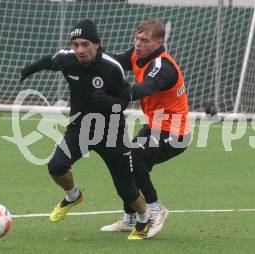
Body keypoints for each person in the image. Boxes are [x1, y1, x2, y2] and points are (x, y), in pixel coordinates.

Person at [19, 19, 158, 240]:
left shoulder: (112, 68)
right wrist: (29, 70)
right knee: (56, 166)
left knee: (126, 189)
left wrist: (107, 101)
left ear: (97, 44)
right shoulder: (68, 60)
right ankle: (73, 195)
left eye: (85, 44)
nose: (80, 50)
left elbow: (124, 101)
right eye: (76, 45)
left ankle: (144, 218)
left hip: (111, 131)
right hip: (80, 128)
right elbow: (50, 60)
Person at [100, 19, 192, 237]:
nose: (138, 43)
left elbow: (146, 87)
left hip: (176, 133)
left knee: (135, 158)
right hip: (155, 127)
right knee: (127, 162)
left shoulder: (163, 66)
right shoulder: (137, 54)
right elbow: (116, 61)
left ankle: (155, 208)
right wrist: (94, 54)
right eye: (137, 38)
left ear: (159, 42)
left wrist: (118, 96)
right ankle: (130, 217)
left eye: (145, 40)